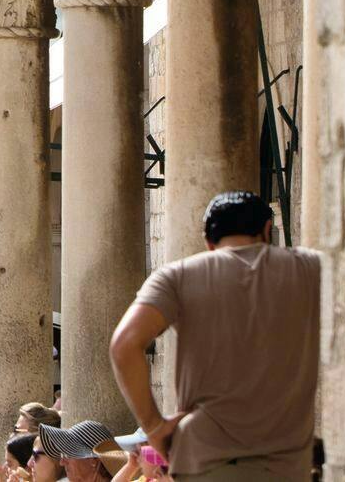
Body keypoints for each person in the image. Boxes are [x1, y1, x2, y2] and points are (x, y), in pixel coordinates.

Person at [110, 190, 320, 480]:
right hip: (286, 463)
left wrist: (154, 426)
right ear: (267, 230)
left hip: (204, 459)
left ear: (209, 242)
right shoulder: (311, 269)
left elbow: (124, 345)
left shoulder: (178, 276)